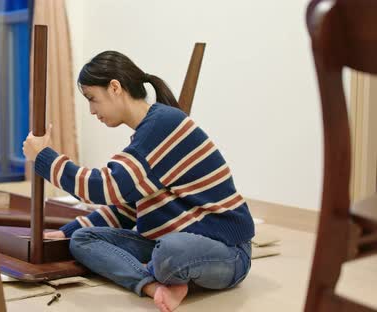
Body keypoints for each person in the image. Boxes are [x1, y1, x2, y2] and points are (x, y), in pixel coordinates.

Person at [22, 51, 254, 312]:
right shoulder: (146, 135)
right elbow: (127, 205)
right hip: (170, 242)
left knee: (171, 250)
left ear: (115, 87)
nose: (91, 110)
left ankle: (164, 270)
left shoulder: (165, 124)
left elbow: (104, 188)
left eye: (92, 99)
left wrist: (43, 158)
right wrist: (66, 232)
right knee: (82, 239)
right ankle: (153, 286)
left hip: (227, 251)